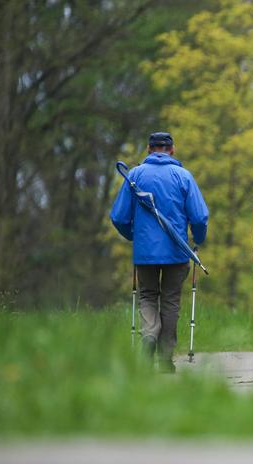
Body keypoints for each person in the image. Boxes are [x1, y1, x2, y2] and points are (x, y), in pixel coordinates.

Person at [110, 132, 209, 373]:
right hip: (177, 251)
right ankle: (165, 358)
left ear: (148, 149)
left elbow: (119, 217)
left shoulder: (134, 175)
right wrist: (198, 239)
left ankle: (149, 337)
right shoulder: (183, 176)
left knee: (147, 296)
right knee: (171, 300)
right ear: (172, 150)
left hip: (145, 253)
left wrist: (135, 236)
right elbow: (199, 216)